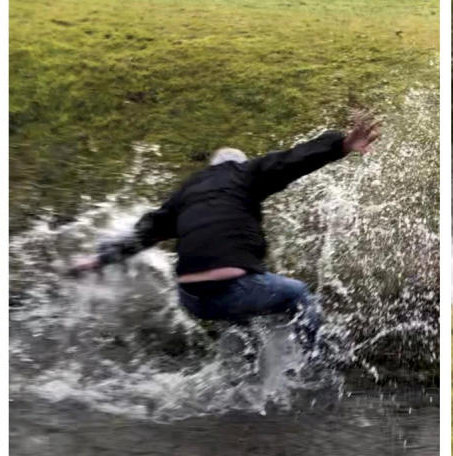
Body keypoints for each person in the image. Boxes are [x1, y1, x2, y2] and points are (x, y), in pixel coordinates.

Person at [70, 114, 383, 360]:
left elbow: (144, 233)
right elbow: (291, 161)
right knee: (297, 295)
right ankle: (314, 369)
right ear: (240, 163)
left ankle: (243, 383)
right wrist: (340, 145)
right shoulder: (245, 174)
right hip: (233, 288)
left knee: (247, 327)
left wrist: (97, 260)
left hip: (193, 300)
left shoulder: (185, 193)